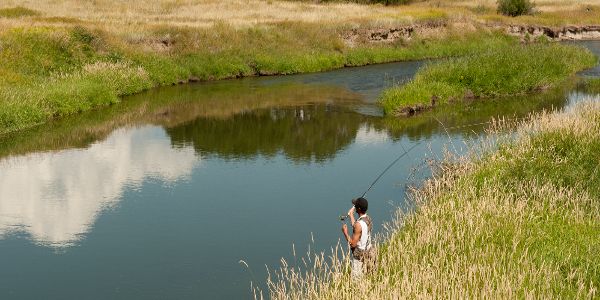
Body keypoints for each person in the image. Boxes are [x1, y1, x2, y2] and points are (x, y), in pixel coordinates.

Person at [341, 197, 374, 279]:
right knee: (368, 278)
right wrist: (351, 215)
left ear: (358, 209)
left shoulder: (358, 225)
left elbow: (352, 244)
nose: (354, 206)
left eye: (355, 205)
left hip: (360, 256)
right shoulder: (368, 219)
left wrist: (345, 232)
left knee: (357, 281)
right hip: (369, 252)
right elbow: (358, 229)